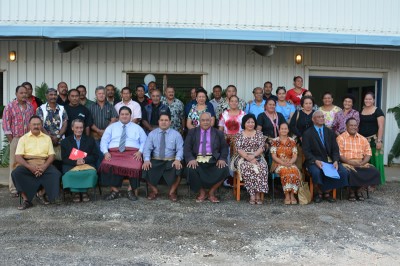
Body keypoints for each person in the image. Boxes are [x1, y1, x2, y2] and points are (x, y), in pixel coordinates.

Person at [11, 115, 61, 210]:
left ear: (41, 125)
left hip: (43, 164)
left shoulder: (47, 138)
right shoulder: (23, 139)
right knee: (16, 173)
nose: (36, 126)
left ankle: (41, 193)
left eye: (38, 124)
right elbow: (18, 157)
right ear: (29, 125)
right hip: (28, 164)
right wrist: (30, 167)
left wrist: (44, 166)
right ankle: (26, 200)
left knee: (56, 174)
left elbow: (52, 155)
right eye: (34, 124)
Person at [99, 106, 147, 201]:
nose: (124, 116)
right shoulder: (111, 127)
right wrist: (105, 152)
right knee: (105, 165)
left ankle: (130, 190)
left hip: (132, 153)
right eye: (122, 114)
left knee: (137, 166)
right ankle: (115, 191)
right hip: (114, 153)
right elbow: (104, 141)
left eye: (127, 114)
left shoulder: (138, 128)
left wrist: (140, 151)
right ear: (119, 116)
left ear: (130, 116)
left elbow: (145, 141)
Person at [302, 110, 349, 203]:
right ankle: (318, 193)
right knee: (316, 172)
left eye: (322, 117)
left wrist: (336, 160)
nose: (321, 118)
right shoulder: (307, 133)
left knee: (343, 172)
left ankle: (326, 192)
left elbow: (335, 149)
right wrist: (315, 161)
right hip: (314, 161)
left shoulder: (329, 132)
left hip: (329, 160)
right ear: (313, 119)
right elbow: (306, 151)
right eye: (318, 117)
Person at [184, 112, 230, 203]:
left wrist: (222, 159)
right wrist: (191, 159)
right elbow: (187, 147)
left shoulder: (218, 133)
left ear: (211, 121)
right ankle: (202, 193)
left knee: (224, 169)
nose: (205, 122)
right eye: (203, 120)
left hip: (213, 160)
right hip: (197, 159)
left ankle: (211, 193)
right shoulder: (192, 132)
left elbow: (224, 148)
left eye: (207, 120)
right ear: (199, 121)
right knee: (189, 169)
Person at [2, 85, 35, 197]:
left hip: (28, 139)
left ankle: (25, 186)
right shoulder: (10, 107)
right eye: (21, 93)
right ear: (16, 94)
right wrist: (12, 141)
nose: (24, 95)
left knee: (28, 162)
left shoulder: (30, 107)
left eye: (25, 93)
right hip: (16, 139)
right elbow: (6, 126)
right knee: (14, 164)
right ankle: (13, 188)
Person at [142, 112, 184, 202]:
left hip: (171, 160)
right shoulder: (152, 134)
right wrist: (146, 160)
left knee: (179, 168)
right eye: (161, 120)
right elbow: (147, 149)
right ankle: (154, 191)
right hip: (156, 159)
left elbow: (180, 149)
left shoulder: (176, 134)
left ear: (170, 122)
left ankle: (172, 192)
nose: (164, 122)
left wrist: (177, 159)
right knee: (145, 168)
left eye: (166, 120)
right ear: (158, 121)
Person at [337, 118, 381, 201]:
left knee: (374, 171)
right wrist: (350, 162)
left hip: (361, 162)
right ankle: (352, 191)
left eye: (355, 125)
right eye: (351, 125)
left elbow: (368, 154)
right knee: (351, 171)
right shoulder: (340, 138)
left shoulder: (363, 139)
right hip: (347, 163)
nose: (353, 127)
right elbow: (340, 155)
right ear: (346, 126)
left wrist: (362, 163)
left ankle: (359, 189)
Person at [231, 114, 268, 204]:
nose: (250, 124)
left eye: (252, 122)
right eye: (248, 122)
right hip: (242, 156)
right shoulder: (239, 134)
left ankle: (258, 193)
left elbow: (262, 147)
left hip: (257, 155)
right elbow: (239, 149)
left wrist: (254, 155)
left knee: (262, 167)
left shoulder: (259, 133)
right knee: (247, 166)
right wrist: (249, 158)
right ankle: (252, 194)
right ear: (244, 123)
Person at [61, 119, 98, 202]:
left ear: (83, 128)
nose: (79, 130)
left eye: (81, 128)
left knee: (91, 173)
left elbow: (95, 156)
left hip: (87, 164)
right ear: (72, 128)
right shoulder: (65, 142)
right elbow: (64, 158)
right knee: (70, 175)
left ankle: (84, 192)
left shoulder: (90, 140)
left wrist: (84, 160)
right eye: (77, 127)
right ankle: (76, 193)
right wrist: (75, 162)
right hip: (71, 165)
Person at [270, 123, 301, 205]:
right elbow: (273, 156)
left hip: (290, 163)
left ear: (288, 130)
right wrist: (283, 163)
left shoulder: (292, 141)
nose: (284, 130)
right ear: (279, 130)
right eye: (282, 129)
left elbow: (295, 155)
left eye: (285, 129)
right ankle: (287, 195)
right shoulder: (274, 141)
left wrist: (291, 162)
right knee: (285, 171)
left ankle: (292, 195)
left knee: (294, 170)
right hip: (278, 163)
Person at [358, 92, 386, 185]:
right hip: (362, 141)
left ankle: (375, 183)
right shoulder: (361, 110)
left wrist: (379, 141)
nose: (368, 101)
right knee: (365, 162)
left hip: (374, 140)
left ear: (373, 100)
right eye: (366, 99)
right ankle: (365, 182)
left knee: (375, 161)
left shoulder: (378, 111)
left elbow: (381, 127)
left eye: (370, 99)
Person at [89, 86, 118, 167]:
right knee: (98, 154)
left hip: (108, 136)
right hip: (95, 135)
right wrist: (98, 131)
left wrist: (105, 131)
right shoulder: (91, 107)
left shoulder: (111, 106)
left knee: (106, 154)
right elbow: (89, 121)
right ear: (96, 94)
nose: (101, 95)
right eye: (99, 93)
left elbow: (114, 119)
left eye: (103, 93)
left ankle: (104, 173)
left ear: (105, 94)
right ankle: (99, 173)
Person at [36, 88, 69, 162]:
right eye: (51, 95)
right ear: (46, 96)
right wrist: (49, 138)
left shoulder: (62, 108)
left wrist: (57, 136)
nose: (53, 96)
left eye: (55, 95)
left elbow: (65, 123)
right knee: (46, 162)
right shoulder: (40, 109)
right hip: (45, 141)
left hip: (59, 141)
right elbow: (39, 125)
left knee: (59, 162)